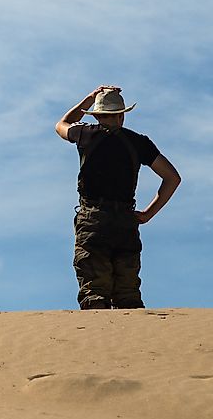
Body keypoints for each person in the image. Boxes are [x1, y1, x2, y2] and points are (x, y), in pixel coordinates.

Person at [55, 85, 180, 309]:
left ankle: (100, 342)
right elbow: (172, 178)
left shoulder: (84, 133)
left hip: (92, 220)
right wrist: (148, 214)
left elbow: (60, 124)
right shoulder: (139, 142)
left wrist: (88, 99)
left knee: (94, 294)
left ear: (97, 115)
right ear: (121, 115)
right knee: (128, 295)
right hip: (125, 222)